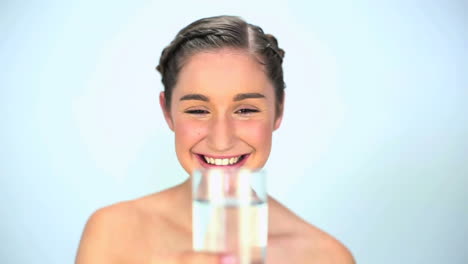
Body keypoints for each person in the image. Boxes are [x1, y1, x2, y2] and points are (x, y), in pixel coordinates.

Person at [75, 15, 355, 264]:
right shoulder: (112, 232)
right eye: (198, 110)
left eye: (245, 110)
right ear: (167, 112)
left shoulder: (327, 257)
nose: (221, 140)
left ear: (279, 110)